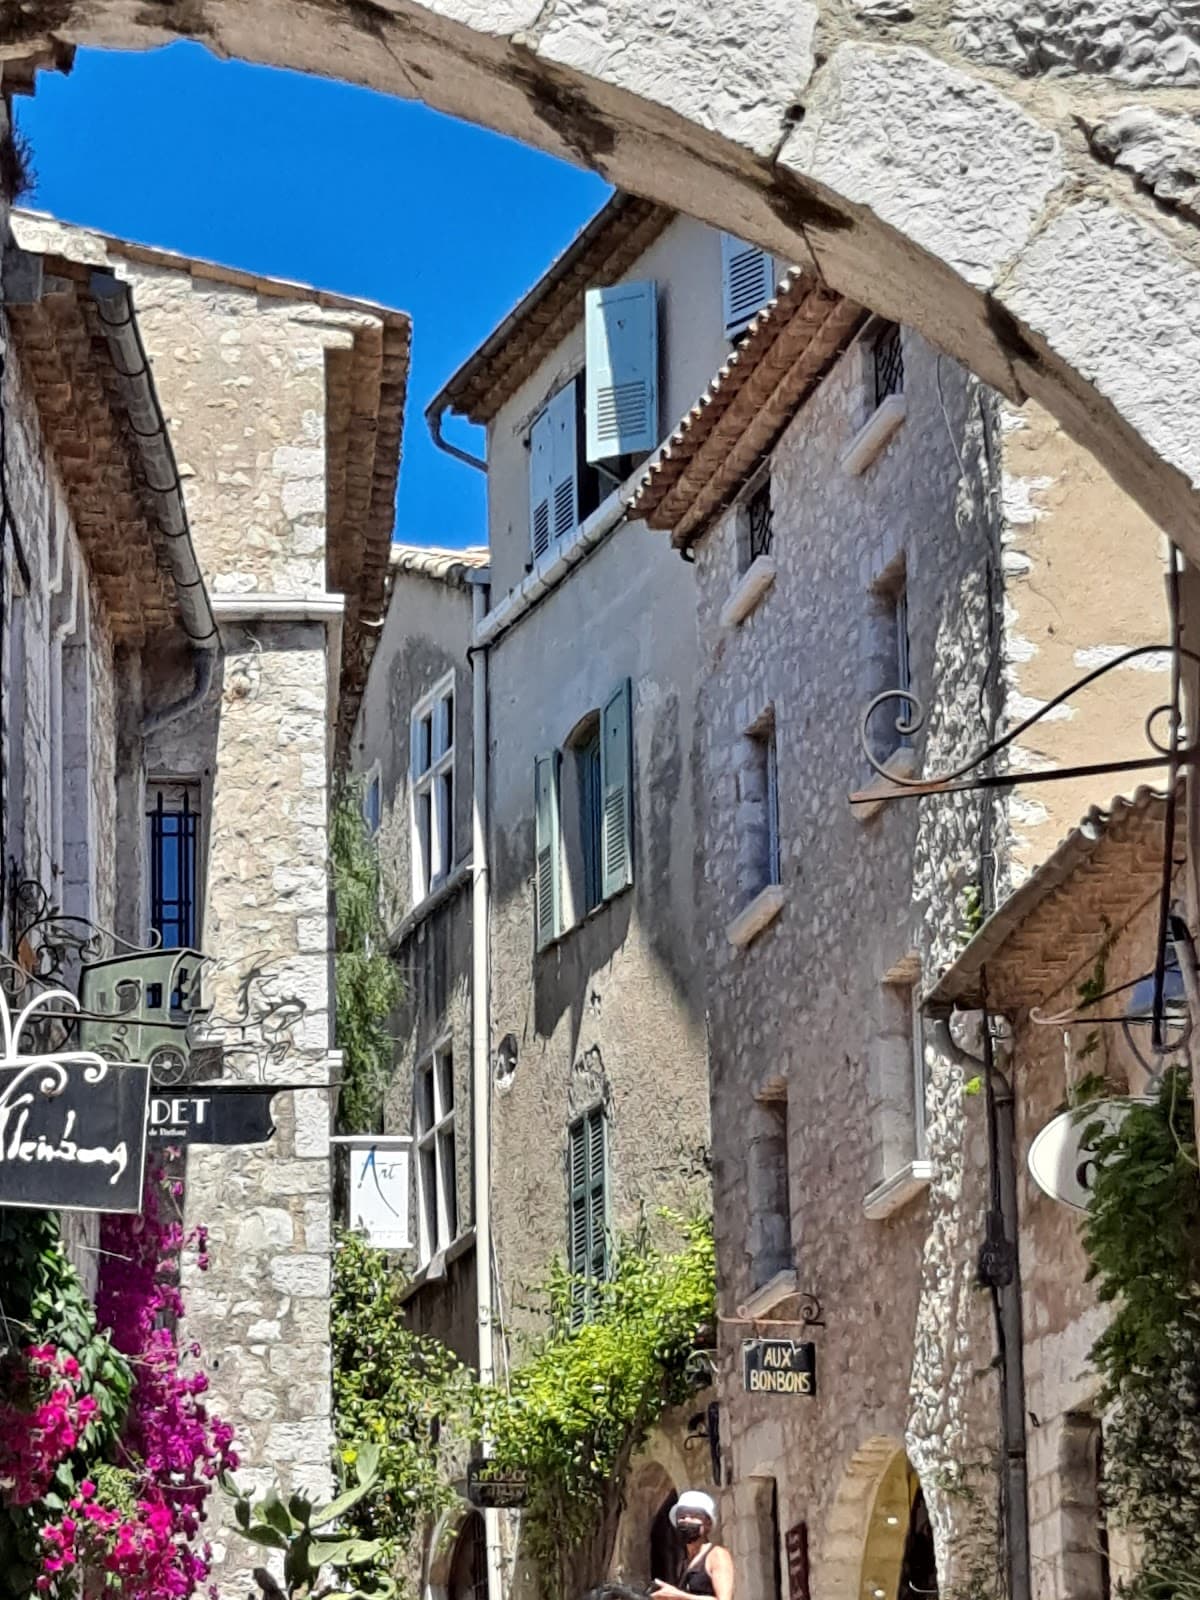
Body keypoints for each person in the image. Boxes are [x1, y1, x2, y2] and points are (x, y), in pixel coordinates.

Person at [650, 1491, 733, 1600]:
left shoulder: (717, 1555)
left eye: (694, 1516)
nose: (686, 1520)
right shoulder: (685, 1561)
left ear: (708, 1523)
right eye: (682, 1516)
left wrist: (678, 1596)